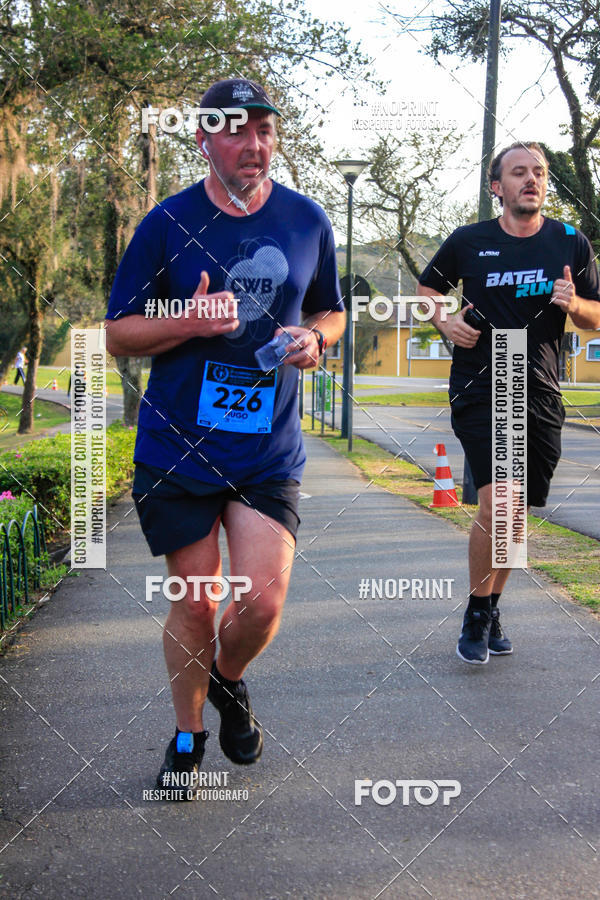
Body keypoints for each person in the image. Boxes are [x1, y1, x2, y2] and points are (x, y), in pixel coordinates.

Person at [105, 78, 345, 792]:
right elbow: (119, 333)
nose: (255, 143)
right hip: (178, 445)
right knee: (199, 600)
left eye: (265, 130)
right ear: (204, 139)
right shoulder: (167, 223)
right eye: (236, 130)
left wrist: (316, 339)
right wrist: (191, 321)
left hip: (267, 447)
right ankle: (188, 738)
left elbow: (332, 310)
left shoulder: (307, 220)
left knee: (262, 602)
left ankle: (227, 678)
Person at [417, 141, 600, 665]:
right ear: (497, 187)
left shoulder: (571, 242)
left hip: (537, 381)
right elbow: (426, 290)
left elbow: (595, 316)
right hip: (482, 376)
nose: (531, 180)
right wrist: (444, 320)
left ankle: (492, 603)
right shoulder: (468, 240)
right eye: (518, 173)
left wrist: (576, 304)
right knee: (498, 502)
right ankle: (476, 614)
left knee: (515, 513)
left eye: (538, 172)